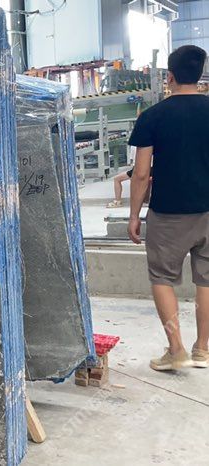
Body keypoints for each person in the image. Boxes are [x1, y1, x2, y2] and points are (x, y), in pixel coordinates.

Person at [127, 45, 209, 371]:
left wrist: (134, 215)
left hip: (169, 213)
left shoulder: (152, 117)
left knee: (162, 277)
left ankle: (176, 350)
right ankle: (203, 349)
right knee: (207, 279)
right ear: (200, 76)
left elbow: (141, 174)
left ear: (169, 77)